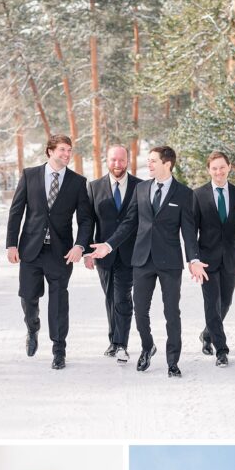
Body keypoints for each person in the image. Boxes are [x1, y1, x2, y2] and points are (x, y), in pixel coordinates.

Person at [91, 143, 206, 377]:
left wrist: (193, 258)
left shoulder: (184, 194)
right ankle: (147, 347)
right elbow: (129, 223)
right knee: (140, 310)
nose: (149, 164)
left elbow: (189, 232)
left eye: (153, 160)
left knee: (171, 311)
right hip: (142, 260)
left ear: (167, 163)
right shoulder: (141, 189)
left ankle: (173, 361)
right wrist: (109, 244)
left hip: (169, 263)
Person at [6, 131, 92, 368]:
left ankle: (59, 349)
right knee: (28, 296)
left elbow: (86, 220)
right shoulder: (30, 175)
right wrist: (11, 244)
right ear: (50, 151)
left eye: (69, 150)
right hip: (30, 250)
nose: (66, 154)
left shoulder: (77, 182)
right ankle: (32, 328)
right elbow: (16, 211)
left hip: (61, 252)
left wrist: (79, 245)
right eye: (62, 150)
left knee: (58, 301)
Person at [192, 149, 235, 363]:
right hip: (206, 260)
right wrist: (193, 260)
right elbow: (191, 232)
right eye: (214, 168)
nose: (218, 172)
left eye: (222, 167)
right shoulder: (198, 195)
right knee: (212, 303)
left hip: (230, 258)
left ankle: (207, 334)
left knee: (225, 303)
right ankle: (221, 350)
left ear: (229, 168)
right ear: (209, 170)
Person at [84, 141, 138, 360]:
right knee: (110, 298)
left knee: (123, 297)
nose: (118, 164)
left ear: (128, 161)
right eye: (114, 159)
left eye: (122, 160)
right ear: (107, 161)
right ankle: (113, 340)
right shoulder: (94, 187)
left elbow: (137, 222)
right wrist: (88, 251)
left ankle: (121, 343)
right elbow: (88, 221)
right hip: (102, 254)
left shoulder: (139, 186)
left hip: (130, 252)